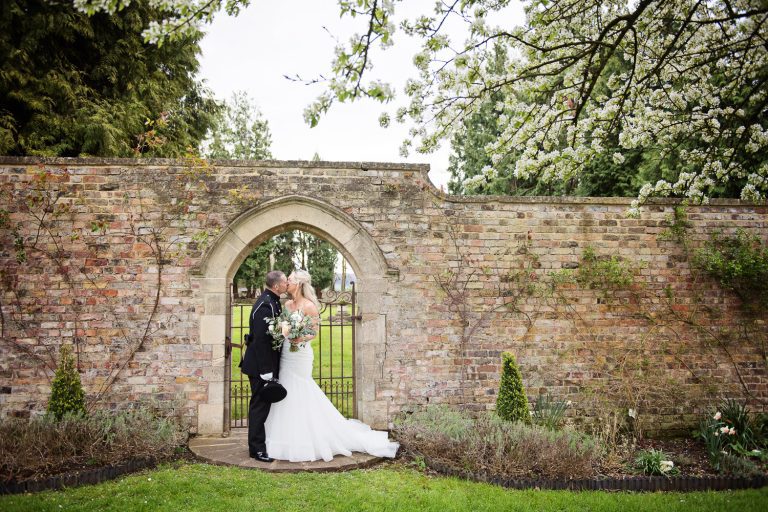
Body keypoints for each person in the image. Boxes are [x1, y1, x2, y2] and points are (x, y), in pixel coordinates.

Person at [264, 269, 399, 462]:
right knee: (286, 388)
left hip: (300, 354)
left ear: (299, 284)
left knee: (301, 388)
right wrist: (284, 332)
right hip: (286, 353)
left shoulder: (309, 306)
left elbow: (313, 332)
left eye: (291, 280)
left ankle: (310, 437)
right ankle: (285, 436)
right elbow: (283, 326)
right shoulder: (286, 305)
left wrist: (297, 337)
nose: (287, 283)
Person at [240, 270, 288, 462]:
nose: (286, 285)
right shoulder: (265, 305)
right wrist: (267, 372)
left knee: (262, 406)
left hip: (266, 364)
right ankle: (257, 449)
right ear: (276, 286)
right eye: (285, 282)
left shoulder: (273, 301)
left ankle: (259, 444)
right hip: (260, 367)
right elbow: (260, 341)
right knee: (259, 407)